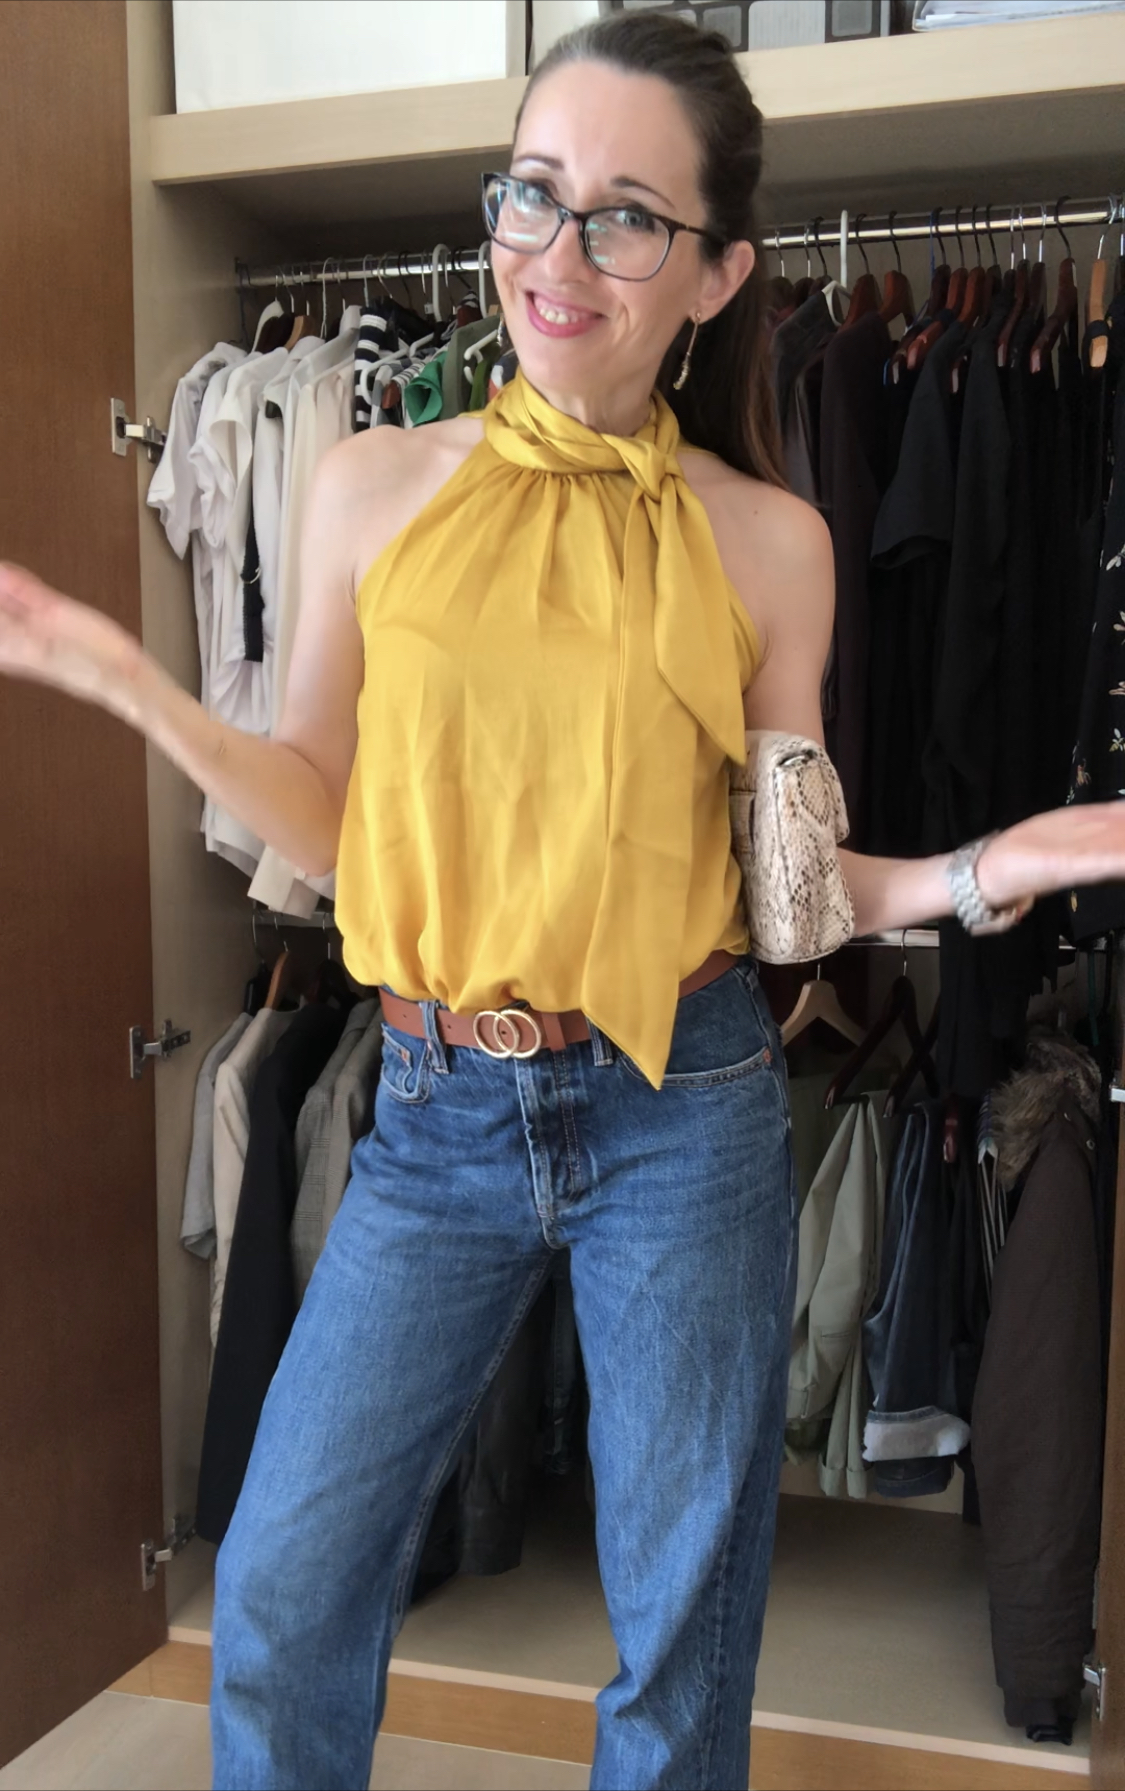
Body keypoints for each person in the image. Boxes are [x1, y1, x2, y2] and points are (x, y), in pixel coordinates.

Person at [1, 13, 1123, 1790]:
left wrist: (1003, 865)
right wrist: (133, 687)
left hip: (684, 1103)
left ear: (717, 271)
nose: (554, 253)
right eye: (531, 196)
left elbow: (792, 891)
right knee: (285, 1590)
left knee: (682, 1636)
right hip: (434, 1111)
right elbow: (318, 802)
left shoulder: (770, 541)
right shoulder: (373, 489)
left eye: (621, 216)